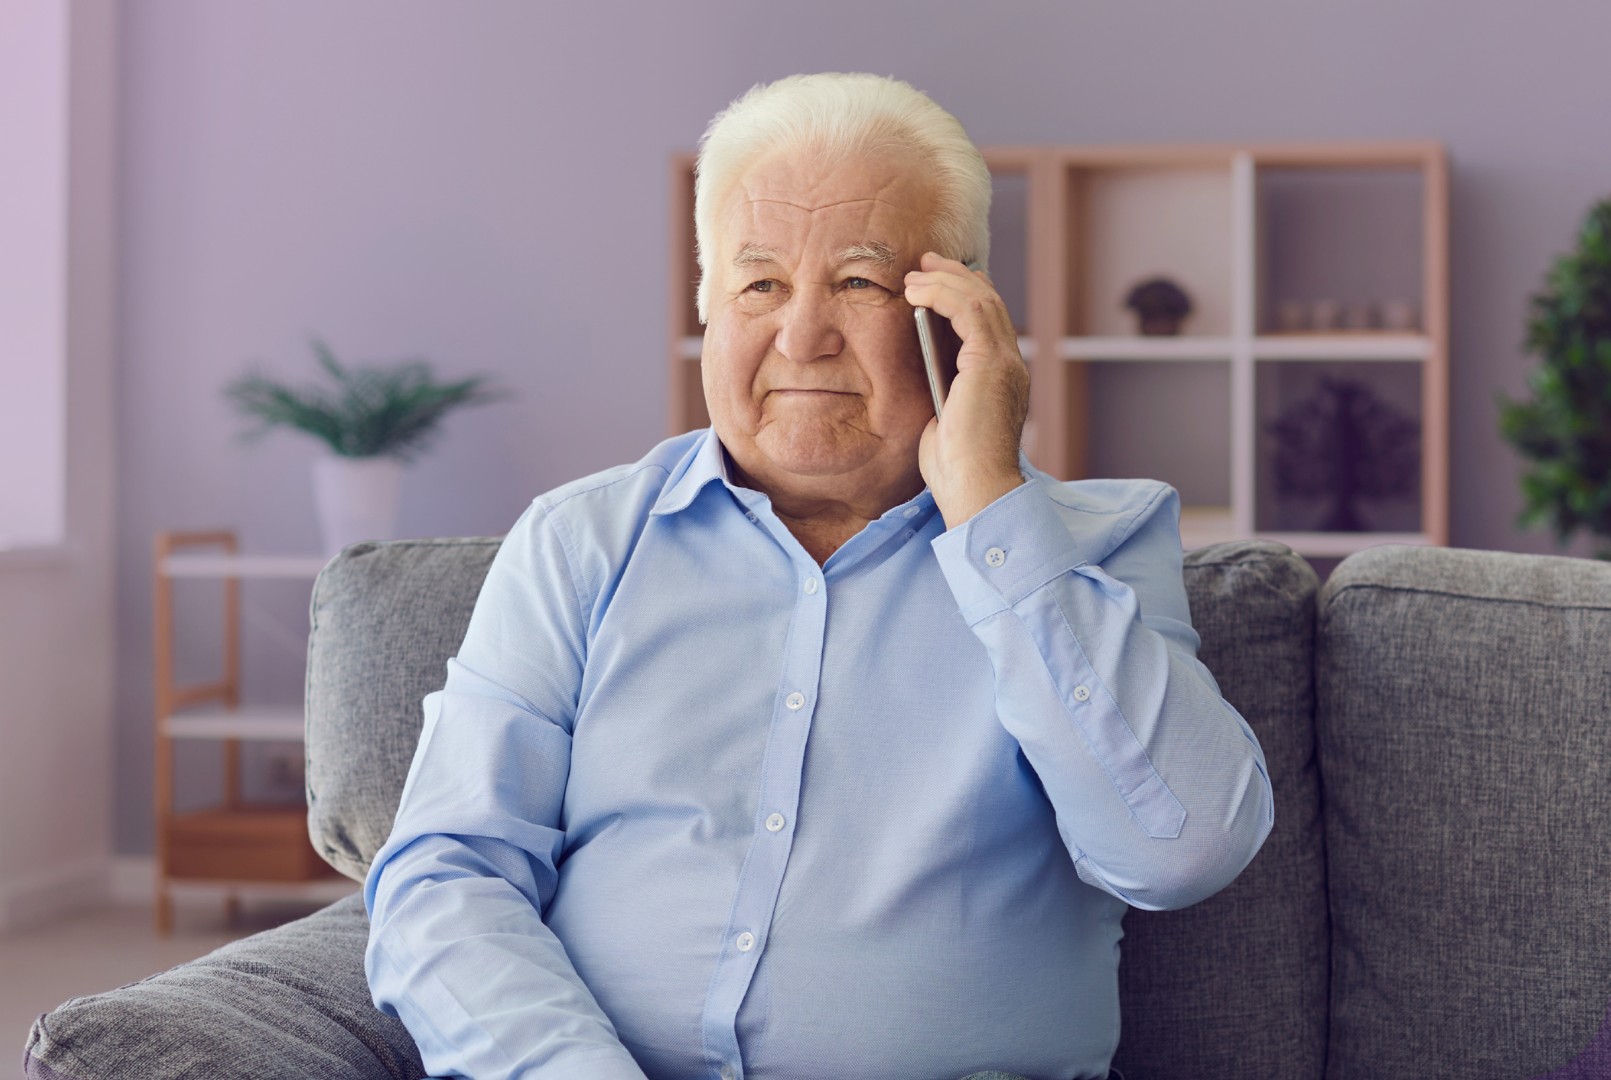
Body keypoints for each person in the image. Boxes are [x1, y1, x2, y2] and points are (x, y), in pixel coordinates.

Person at [363, 72, 1273, 1080]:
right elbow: (448, 875)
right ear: (707, 305)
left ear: (957, 314)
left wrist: (991, 506)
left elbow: (1179, 852)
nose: (801, 338)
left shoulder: (1090, 547)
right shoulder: (579, 543)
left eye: (858, 283)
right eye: (758, 285)